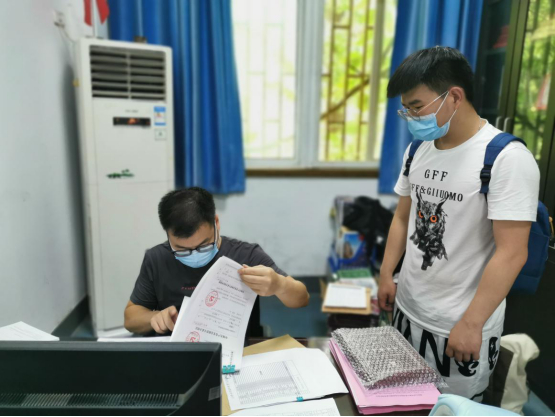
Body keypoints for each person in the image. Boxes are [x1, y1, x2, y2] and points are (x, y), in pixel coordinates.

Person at [378, 46, 540, 400]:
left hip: (459, 324)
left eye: (417, 107)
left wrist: (472, 323)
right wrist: (387, 272)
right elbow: (403, 217)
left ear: (454, 97)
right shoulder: (417, 150)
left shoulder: (507, 158)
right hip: (408, 309)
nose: (411, 117)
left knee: (454, 407)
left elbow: (513, 253)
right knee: (402, 400)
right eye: (406, 109)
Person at [124, 187, 310, 335]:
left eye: (204, 245)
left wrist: (279, 285)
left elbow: (302, 298)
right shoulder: (157, 258)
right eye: (181, 250)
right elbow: (131, 317)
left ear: (216, 222)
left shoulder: (246, 255)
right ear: (168, 234)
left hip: (238, 352)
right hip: (179, 350)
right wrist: (154, 317)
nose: (195, 254)